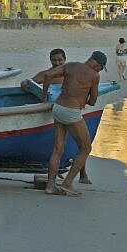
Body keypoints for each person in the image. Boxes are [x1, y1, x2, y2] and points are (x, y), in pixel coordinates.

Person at [40, 51, 105, 196]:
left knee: (58, 149)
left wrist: (44, 96)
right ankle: (68, 183)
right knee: (85, 148)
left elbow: (47, 76)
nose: (99, 70)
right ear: (97, 64)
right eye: (100, 68)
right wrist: (84, 100)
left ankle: (50, 186)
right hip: (71, 112)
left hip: (58, 108)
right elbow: (93, 101)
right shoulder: (94, 76)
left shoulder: (70, 65)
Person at [22, 48, 90, 184]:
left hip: (71, 111)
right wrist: (26, 85)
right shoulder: (47, 74)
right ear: (50, 61)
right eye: (54, 60)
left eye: (60, 60)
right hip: (58, 112)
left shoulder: (72, 73)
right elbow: (28, 82)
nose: (57, 63)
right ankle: (73, 177)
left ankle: (83, 174)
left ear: (65, 59)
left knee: (79, 144)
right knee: (77, 145)